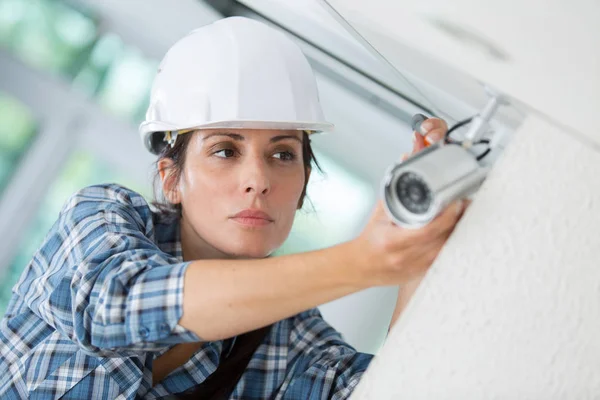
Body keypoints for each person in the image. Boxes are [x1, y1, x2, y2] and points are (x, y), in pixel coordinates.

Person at [0, 17, 465, 399]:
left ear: (303, 184)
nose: (258, 181)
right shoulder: (99, 220)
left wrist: (419, 228)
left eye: (283, 154)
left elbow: (396, 390)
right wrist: (366, 261)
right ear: (171, 179)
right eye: (225, 150)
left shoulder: (294, 346)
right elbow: (115, 305)